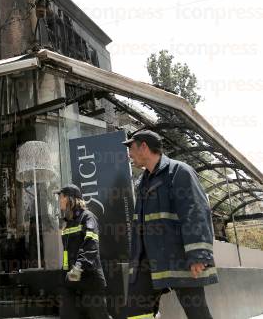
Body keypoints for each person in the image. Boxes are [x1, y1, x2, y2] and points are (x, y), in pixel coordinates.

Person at [122, 130, 217, 319]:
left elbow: (196, 212)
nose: (129, 154)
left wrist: (198, 254)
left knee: (196, 311)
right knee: (135, 311)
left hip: (179, 258)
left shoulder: (179, 171)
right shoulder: (143, 182)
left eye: (131, 148)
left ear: (144, 147)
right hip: (147, 261)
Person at [55, 184, 111, 319]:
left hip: (90, 280)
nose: (59, 201)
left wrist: (78, 267)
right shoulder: (68, 223)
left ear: (70, 199)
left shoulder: (88, 217)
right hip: (71, 282)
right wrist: (65, 273)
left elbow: (91, 246)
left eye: (61, 197)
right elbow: (66, 252)